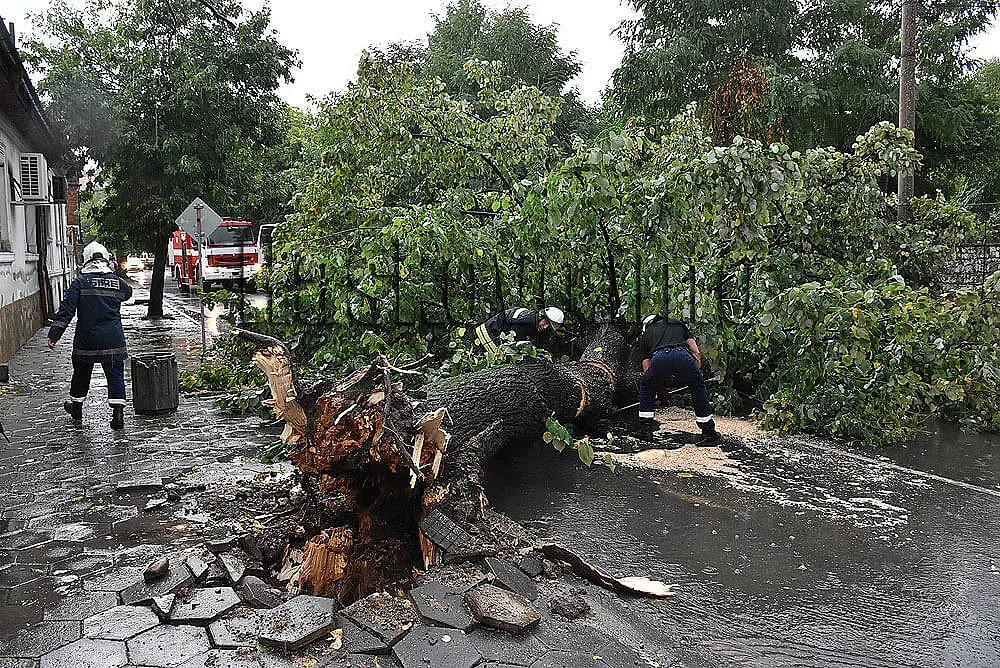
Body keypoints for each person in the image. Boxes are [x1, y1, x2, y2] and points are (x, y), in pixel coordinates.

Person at [48, 241, 133, 430]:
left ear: (85, 260)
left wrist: (55, 334)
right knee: (115, 375)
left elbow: (66, 310)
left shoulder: (80, 282)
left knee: (81, 374)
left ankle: (76, 408)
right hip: (113, 340)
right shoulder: (117, 282)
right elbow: (128, 293)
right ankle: (118, 415)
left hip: (86, 341)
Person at [638, 313, 721, 445]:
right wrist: (696, 371)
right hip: (683, 355)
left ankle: (645, 430)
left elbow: (646, 367)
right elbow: (695, 350)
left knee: (646, 387)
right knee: (697, 388)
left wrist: (657, 387)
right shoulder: (677, 323)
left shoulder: (647, 334)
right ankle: (708, 432)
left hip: (659, 357)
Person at [475, 306, 564, 353]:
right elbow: (513, 348)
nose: (545, 327)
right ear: (542, 316)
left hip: (487, 332)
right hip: (487, 336)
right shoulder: (526, 324)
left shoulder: (531, 317)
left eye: (549, 327)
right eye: (546, 323)